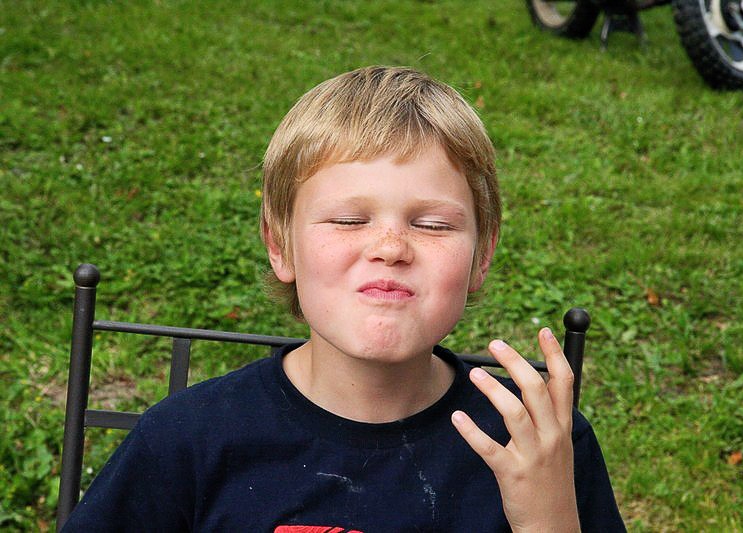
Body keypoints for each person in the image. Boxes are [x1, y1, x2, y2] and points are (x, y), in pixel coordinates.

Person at [63, 66, 624, 532]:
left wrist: (551, 521)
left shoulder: (542, 445)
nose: (390, 247)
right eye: (348, 220)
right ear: (280, 246)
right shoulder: (185, 440)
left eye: (432, 224)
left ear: (482, 256)